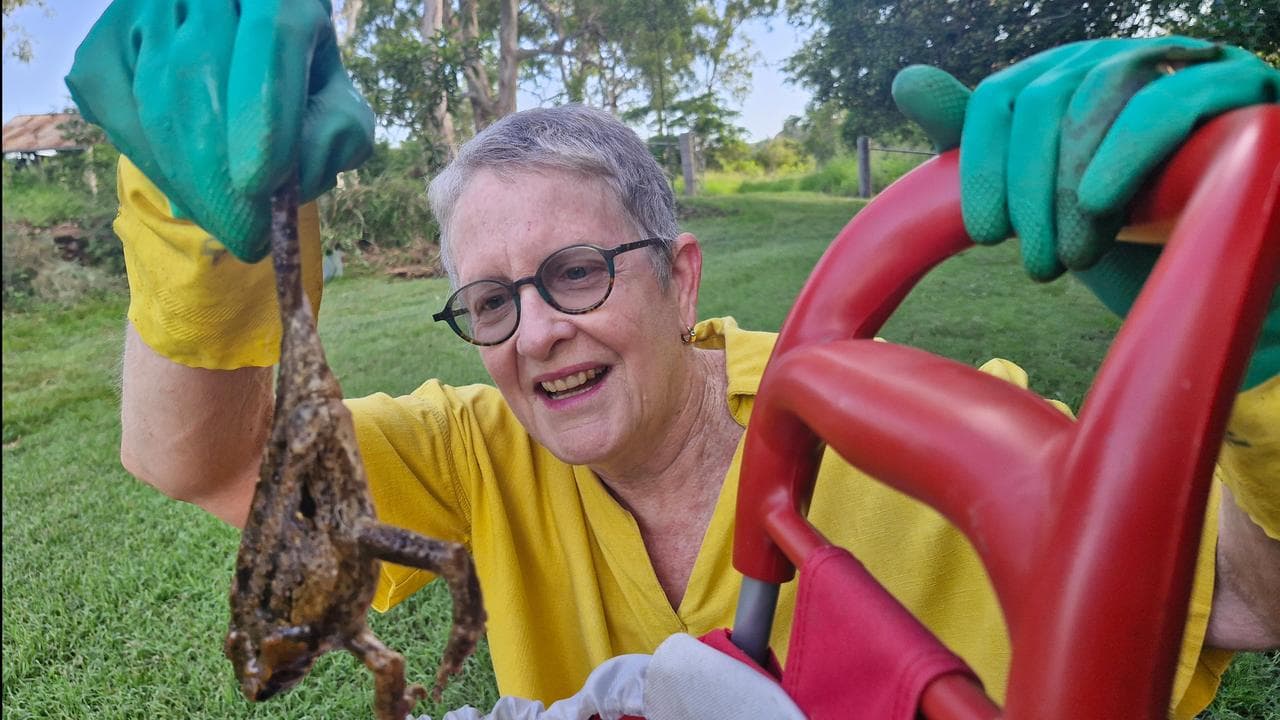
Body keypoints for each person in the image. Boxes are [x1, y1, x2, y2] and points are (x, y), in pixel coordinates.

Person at [65, 1, 1279, 716]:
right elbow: (205, 463)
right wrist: (194, 235)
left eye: (575, 273)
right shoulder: (476, 449)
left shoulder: (896, 424)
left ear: (680, 275)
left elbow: (1249, 591)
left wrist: (1262, 344)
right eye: (488, 301)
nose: (534, 332)